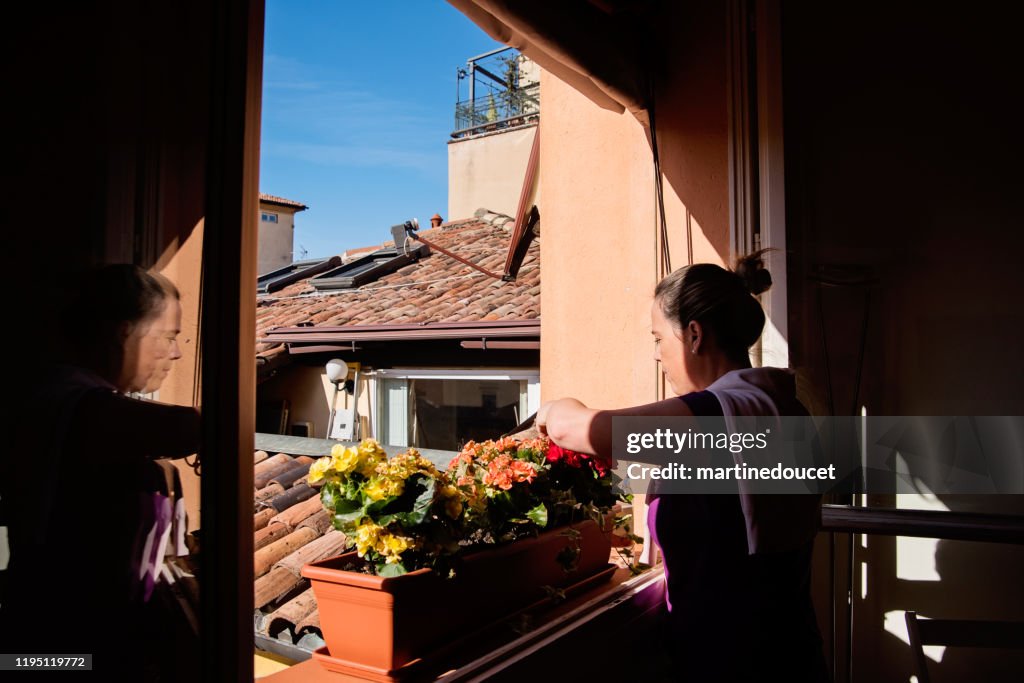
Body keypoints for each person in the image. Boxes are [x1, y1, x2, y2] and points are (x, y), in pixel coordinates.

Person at [537, 252, 829, 682]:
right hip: (786, 647)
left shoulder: (721, 417)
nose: (657, 355)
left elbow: (577, 429)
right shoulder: (779, 407)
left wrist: (554, 408)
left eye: (658, 338)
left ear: (694, 335)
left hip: (739, 660)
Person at [0, 264, 201, 679]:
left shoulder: (65, 397)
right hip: (58, 654)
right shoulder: (68, 404)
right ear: (124, 334)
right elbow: (182, 427)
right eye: (167, 337)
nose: (177, 352)